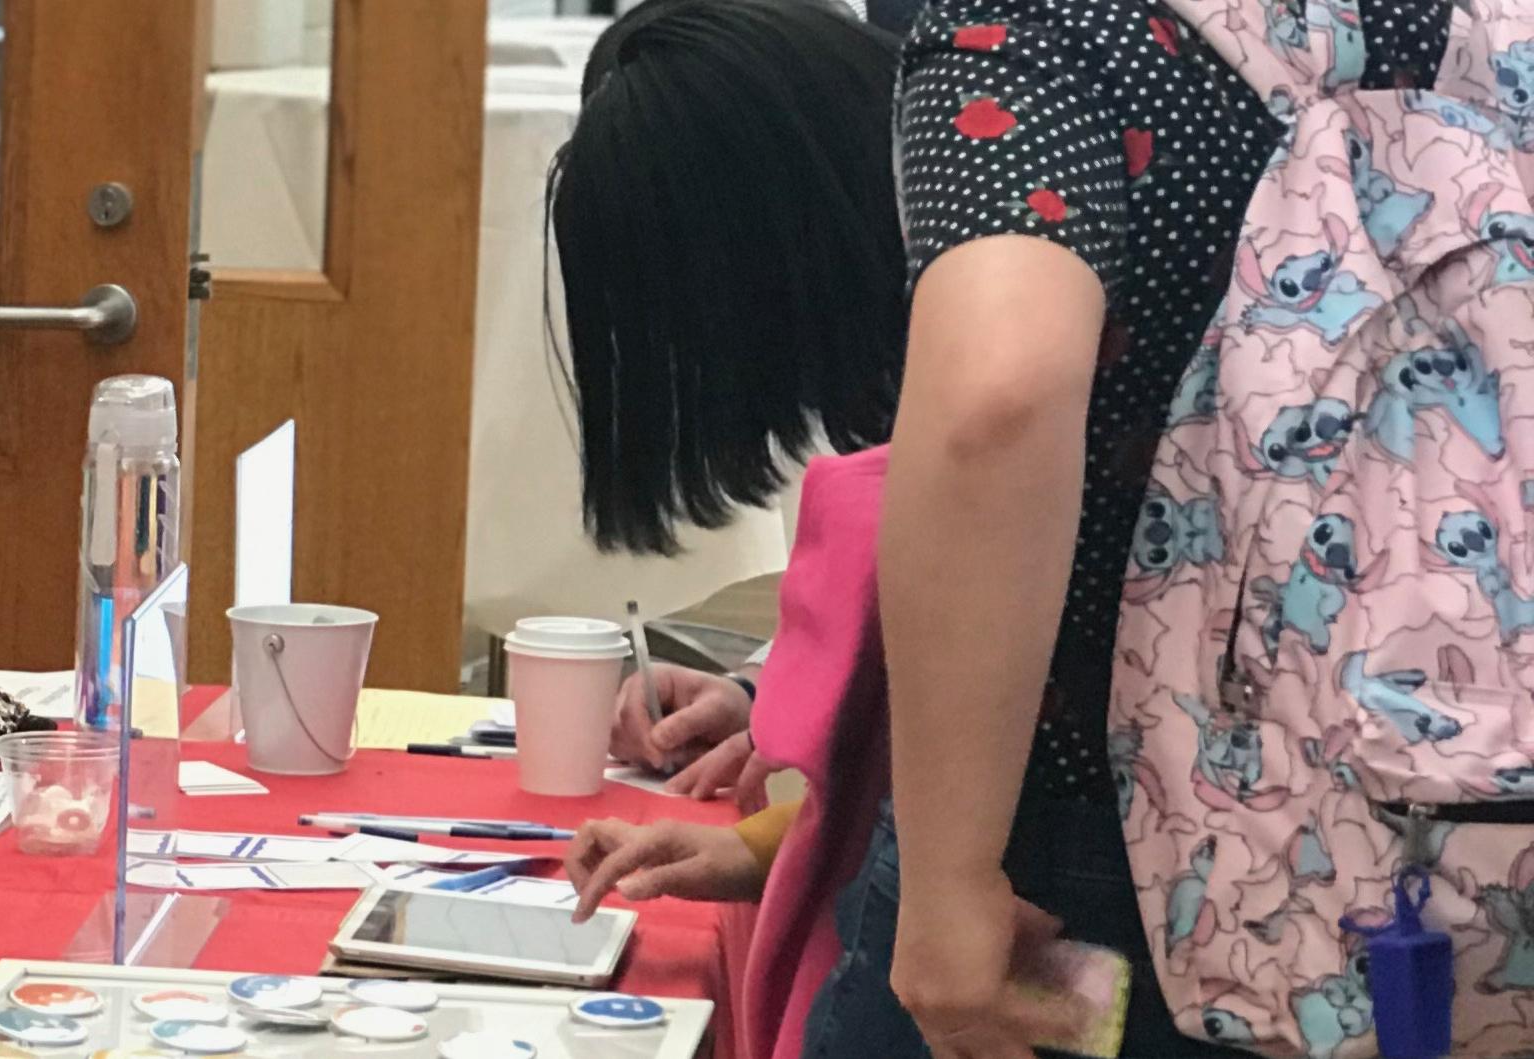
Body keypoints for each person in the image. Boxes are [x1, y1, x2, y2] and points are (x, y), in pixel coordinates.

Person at [847, 0, 1448, 1055]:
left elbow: (1000, 393)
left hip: (1127, 867)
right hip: (1481, 848)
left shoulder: (1052, 27)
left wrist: (947, 879)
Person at [521, 4, 908, 1057]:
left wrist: (799, 816)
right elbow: (897, 806)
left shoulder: (976, 459)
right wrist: (770, 776)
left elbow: (1035, 956)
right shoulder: (912, 413)